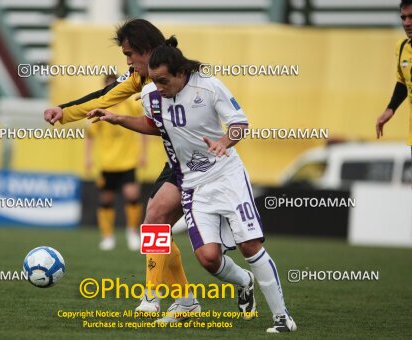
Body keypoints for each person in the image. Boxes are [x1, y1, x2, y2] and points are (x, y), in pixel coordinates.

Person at [87, 38, 297, 333]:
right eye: (154, 80)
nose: (158, 86)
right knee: (207, 258)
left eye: (163, 80)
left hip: (225, 175)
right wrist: (119, 118)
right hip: (190, 181)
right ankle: (222, 289)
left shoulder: (208, 86)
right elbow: (154, 125)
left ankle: (281, 317)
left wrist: (225, 140)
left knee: (249, 244)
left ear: (181, 73)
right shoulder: (150, 94)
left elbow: (238, 123)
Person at [43, 19, 201, 321]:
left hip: (208, 163)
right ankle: (168, 298)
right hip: (179, 163)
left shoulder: (183, 75)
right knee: (155, 222)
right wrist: (64, 111)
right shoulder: (139, 79)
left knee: (219, 254)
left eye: (130, 54)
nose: (128, 61)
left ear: (146, 49)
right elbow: (102, 96)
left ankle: (241, 285)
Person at [85, 74, 145, 251]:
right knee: (106, 199)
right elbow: (90, 136)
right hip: (107, 162)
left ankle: (132, 233)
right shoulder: (99, 108)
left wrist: (143, 153)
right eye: (108, 88)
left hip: (128, 161)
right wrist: (88, 158)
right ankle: (107, 237)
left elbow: (143, 125)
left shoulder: (131, 105)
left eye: (115, 87)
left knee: (132, 196)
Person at [377, 0, 412, 155]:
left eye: (411, 17)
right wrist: (390, 109)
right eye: (403, 18)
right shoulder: (402, 47)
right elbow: (403, 82)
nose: (407, 23)